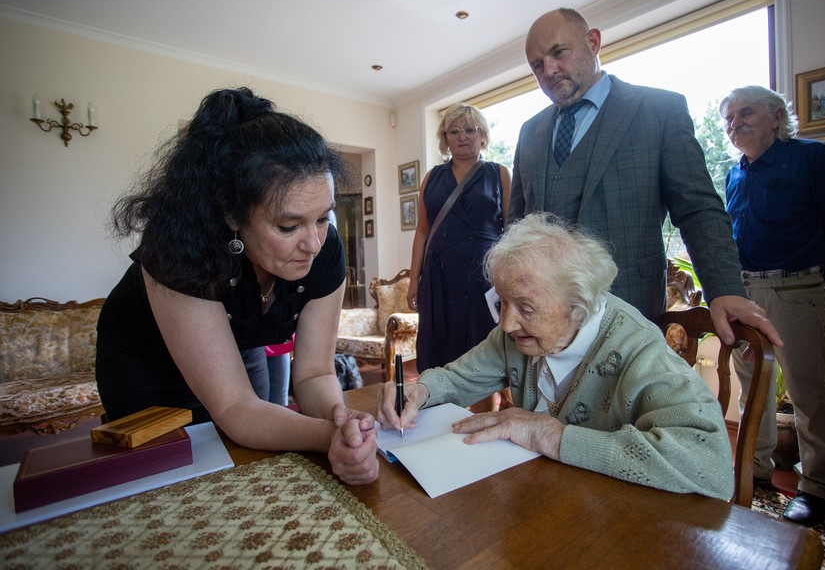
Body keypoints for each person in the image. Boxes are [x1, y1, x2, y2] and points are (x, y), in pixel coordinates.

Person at [95, 87, 378, 485]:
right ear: (231, 214)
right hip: (147, 364)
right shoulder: (180, 248)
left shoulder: (323, 247)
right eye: (288, 225)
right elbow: (234, 407)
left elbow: (314, 373)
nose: (313, 243)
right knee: (168, 482)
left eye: (322, 218)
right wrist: (326, 436)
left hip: (239, 350)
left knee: (251, 468)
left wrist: (341, 421)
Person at [380, 212, 734, 500]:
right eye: (502, 302)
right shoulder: (519, 336)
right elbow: (459, 378)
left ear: (578, 306)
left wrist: (549, 435)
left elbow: (710, 462)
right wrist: (419, 391)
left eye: (526, 307)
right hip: (543, 503)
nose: (505, 324)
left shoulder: (637, 349)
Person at [510, 8, 781, 349]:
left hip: (629, 310)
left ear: (593, 42)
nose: (548, 70)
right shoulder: (530, 131)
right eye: (536, 64)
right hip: (543, 321)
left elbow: (697, 209)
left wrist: (724, 288)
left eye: (558, 52)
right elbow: (516, 229)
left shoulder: (659, 110)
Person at [719, 85, 825, 525]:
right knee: (752, 387)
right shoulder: (734, 173)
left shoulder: (814, 158)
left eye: (746, 113)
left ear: (777, 117)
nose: (734, 123)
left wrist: (811, 280)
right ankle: (754, 470)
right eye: (728, 117)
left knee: (807, 390)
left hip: (795, 291)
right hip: (745, 295)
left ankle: (818, 488)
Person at [407, 103, 511, 410]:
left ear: (482, 136)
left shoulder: (499, 173)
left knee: (482, 352)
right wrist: (414, 279)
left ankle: (481, 425)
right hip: (440, 279)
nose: (462, 136)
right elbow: (422, 231)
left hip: (484, 281)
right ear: (445, 138)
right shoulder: (432, 177)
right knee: (439, 348)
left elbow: (512, 231)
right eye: (454, 131)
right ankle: (437, 422)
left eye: (469, 130)